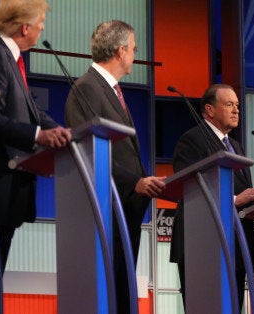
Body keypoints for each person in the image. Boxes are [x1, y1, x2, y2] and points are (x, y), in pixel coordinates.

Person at [0, 0, 72, 312]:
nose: (42, 28)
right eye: (40, 22)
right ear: (25, 27)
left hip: (2, 195)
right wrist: (39, 136)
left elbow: (31, 111)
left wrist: (65, 134)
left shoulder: (6, 58)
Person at [64, 20, 166, 313]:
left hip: (125, 209)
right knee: (107, 292)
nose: (135, 52)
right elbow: (87, 151)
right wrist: (133, 181)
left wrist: (144, 181)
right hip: (105, 207)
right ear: (121, 51)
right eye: (133, 47)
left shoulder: (110, 90)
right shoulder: (86, 89)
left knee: (120, 290)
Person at [169, 83, 254, 310]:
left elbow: (239, 192)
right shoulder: (192, 140)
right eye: (229, 104)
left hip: (237, 246)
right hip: (203, 246)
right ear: (210, 110)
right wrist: (233, 200)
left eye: (238, 106)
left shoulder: (235, 146)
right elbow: (189, 188)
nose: (236, 111)